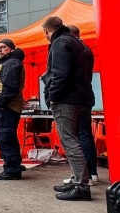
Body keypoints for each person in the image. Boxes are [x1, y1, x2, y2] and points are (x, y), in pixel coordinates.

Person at [42, 16, 94, 200]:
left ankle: (81, 186)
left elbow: (59, 74)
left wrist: (53, 97)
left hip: (66, 100)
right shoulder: (78, 43)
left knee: (70, 142)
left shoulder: (59, 43)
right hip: (81, 98)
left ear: (47, 31)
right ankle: (77, 180)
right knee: (76, 140)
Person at [0, 39, 26, 180]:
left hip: (6, 107)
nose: (0, 50)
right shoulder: (9, 62)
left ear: (11, 50)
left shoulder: (11, 63)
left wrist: (0, 104)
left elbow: (10, 88)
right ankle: (14, 166)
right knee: (9, 137)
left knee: (6, 138)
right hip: (7, 107)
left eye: (4, 47)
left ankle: (11, 170)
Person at [65, 24, 99, 186]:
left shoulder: (75, 49)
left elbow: (65, 74)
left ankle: (83, 177)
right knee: (85, 135)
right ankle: (92, 173)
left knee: (77, 137)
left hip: (75, 98)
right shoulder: (87, 49)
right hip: (86, 96)